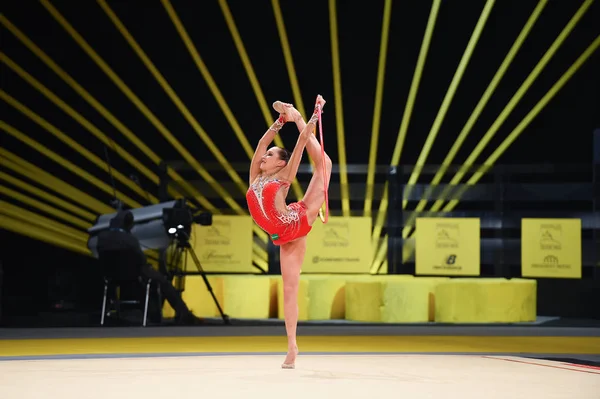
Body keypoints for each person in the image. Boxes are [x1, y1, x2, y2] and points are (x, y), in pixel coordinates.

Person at [246, 94, 332, 369]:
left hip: (299, 221)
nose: (264, 156)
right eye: (266, 154)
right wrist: (278, 122)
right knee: (289, 289)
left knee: (325, 166)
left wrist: (309, 119)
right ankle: (292, 346)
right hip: (282, 237)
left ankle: (296, 114)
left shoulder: (284, 177)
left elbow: (298, 147)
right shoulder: (254, 178)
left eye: (270, 156)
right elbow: (261, 144)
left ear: (280, 164)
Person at [95, 210, 202, 325]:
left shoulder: (101, 238)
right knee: (163, 282)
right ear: (128, 224)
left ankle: (153, 313)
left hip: (110, 276)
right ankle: (184, 314)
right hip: (135, 274)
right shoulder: (130, 240)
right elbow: (141, 259)